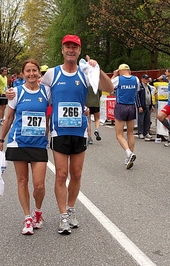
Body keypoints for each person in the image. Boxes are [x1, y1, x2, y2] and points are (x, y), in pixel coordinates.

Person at [40, 35, 114, 234]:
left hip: (79, 131)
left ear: (79, 51)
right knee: (61, 174)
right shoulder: (52, 74)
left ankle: (71, 209)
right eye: (68, 47)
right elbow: (37, 95)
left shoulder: (85, 72)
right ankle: (63, 215)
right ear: (62, 50)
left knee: (77, 173)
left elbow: (109, 88)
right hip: (59, 131)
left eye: (75, 47)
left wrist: (97, 69)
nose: (71, 50)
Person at [0, 59, 49, 235]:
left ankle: (37, 212)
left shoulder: (46, 91)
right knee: (22, 181)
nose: (31, 74)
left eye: (34, 70)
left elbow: (65, 97)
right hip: (19, 142)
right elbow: (9, 118)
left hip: (39, 143)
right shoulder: (16, 92)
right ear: (22, 74)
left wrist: (84, 108)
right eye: (28, 71)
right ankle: (27, 217)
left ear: (39, 73)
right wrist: (1, 140)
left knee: (39, 185)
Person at [111, 63, 139, 169]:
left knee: (119, 135)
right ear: (129, 70)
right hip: (131, 106)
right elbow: (137, 90)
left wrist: (114, 75)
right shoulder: (136, 79)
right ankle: (130, 157)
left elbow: (109, 86)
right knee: (130, 133)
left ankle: (129, 153)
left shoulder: (118, 79)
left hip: (121, 106)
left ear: (120, 71)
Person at [136, 74, 155, 141]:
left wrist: (151, 105)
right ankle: (140, 132)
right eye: (145, 78)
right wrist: (139, 106)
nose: (146, 80)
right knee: (141, 120)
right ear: (142, 79)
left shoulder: (148, 87)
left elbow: (150, 96)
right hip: (142, 106)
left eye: (147, 79)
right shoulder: (140, 86)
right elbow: (137, 97)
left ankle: (146, 132)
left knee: (147, 120)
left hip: (148, 105)